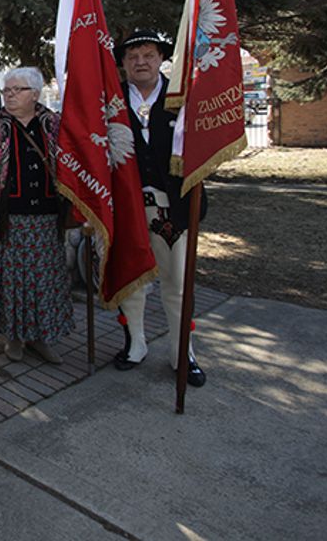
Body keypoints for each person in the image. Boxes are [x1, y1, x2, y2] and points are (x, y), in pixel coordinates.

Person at [115, 30, 207, 387]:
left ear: (161, 59)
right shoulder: (111, 103)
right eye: (133, 57)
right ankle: (135, 344)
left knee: (177, 283)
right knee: (132, 281)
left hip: (174, 208)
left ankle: (182, 352)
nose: (141, 62)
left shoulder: (183, 98)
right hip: (130, 209)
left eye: (148, 55)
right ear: (123, 64)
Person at [0, 67, 75, 364]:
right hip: (6, 222)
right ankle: (13, 337)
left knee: (42, 281)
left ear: (36, 94)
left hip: (47, 220)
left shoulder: (54, 126)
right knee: (12, 282)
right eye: (7, 91)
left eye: (18, 90)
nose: (10, 96)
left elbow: (71, 169)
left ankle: (41, 337)